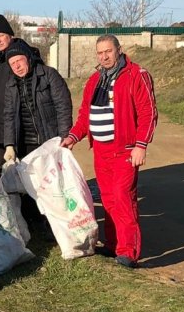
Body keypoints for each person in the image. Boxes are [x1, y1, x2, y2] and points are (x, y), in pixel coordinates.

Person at [61, 35, 157, 268]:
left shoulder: (136, 75)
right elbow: (86, 115)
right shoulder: (95, 80)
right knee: (108, 199)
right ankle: (113, 245)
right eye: (100, 53)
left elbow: (148, 113)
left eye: (108, 51)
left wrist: (140, 145)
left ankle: (128, 252)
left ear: (119, 50)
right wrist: (74, 136)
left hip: (124, 150)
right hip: (101, 152)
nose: (104, 56)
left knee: (124, 198)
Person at [0, 15, 39, 169]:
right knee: (4, 179)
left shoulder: (24, 58)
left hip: (22, 132)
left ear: (10, 35)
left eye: (1, 36)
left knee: (27, 177)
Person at [3, 41, 72, 160]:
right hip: (25, 145)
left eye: (19, 60)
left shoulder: (48, 74)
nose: (16, 66)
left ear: (28, 58)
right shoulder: (11, 84)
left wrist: (64, 136)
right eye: (12, 63)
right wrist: (9, 144)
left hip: (50, 139)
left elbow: (63, 107)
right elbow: (9, 115)